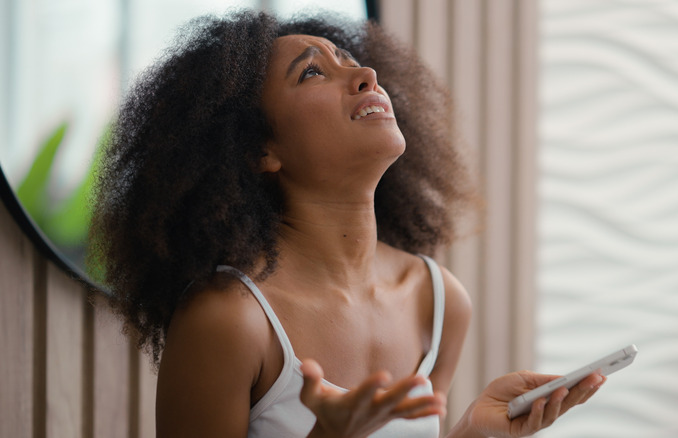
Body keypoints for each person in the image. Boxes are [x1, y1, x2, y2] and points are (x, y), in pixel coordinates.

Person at [88, 10, 605, 438]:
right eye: (312, 72)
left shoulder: (438, 301)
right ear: (258, 149)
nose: (366, 77)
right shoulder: (228, 320)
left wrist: (473, 430)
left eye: (353, 62)